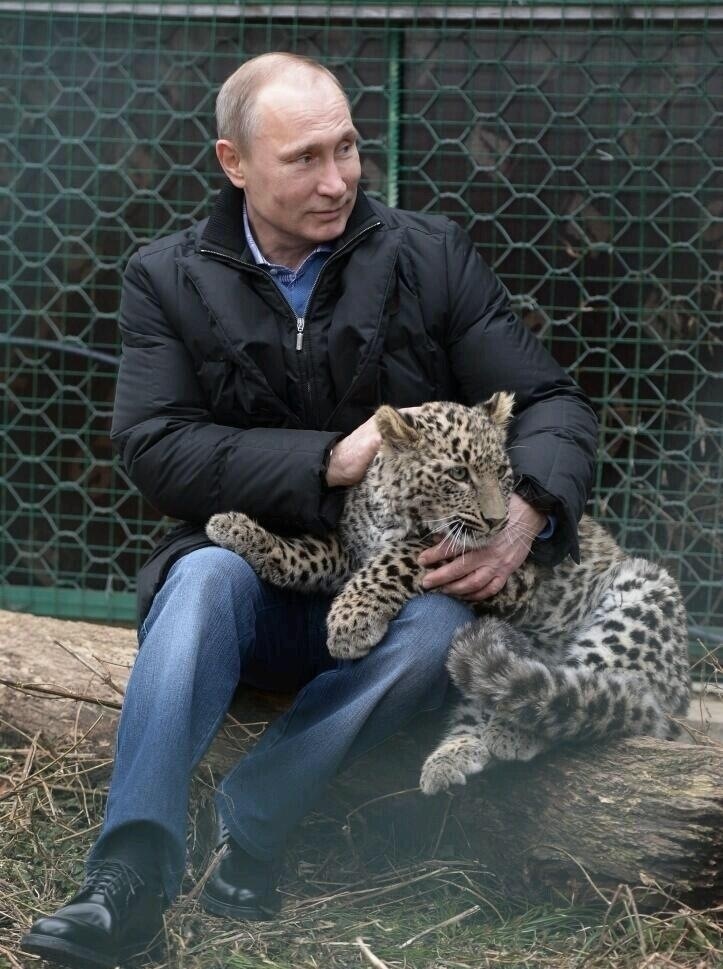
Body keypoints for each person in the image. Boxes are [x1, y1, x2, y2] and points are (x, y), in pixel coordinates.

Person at [21, 52, 597, 967]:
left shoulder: (428, 254)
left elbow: (552, 402)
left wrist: (529, 508)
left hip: (400, 596)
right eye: (303, 159)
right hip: (254, 574)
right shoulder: (166, 277)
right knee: (202, 576)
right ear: (233, 162)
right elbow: (153, 444)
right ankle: (124, 880)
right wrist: (325, 459)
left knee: (439, 622)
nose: (336, 180)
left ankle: (252, 824)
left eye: (347, 149)